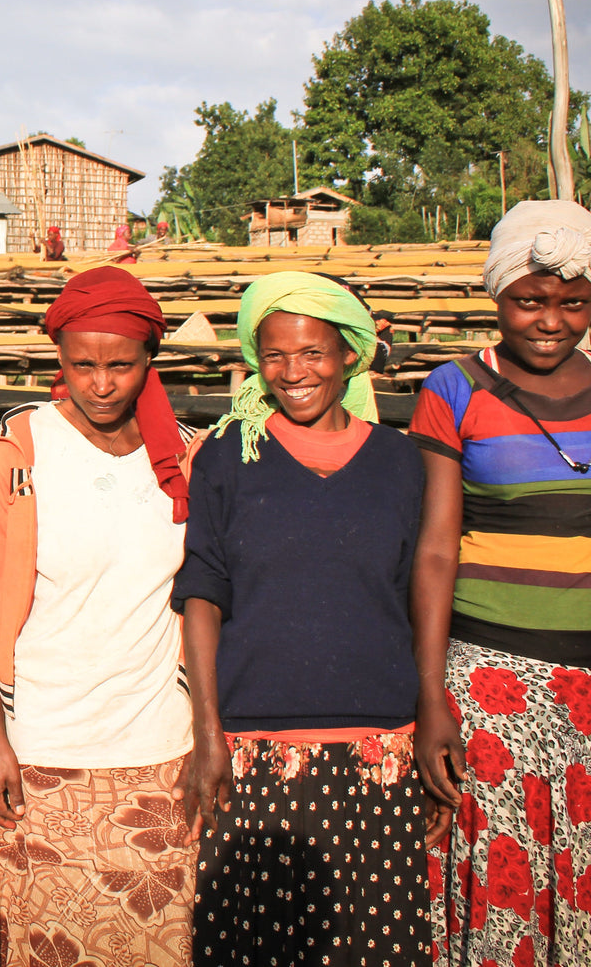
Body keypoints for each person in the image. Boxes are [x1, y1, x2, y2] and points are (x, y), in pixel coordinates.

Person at [172, 270, 430, 966]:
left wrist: (432, 719)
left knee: (374, 947)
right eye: (275, 355)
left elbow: (416, 593)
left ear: (349, 352)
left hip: (380, 750)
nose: (294, 371)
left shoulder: (401, 462)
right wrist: (208, 734)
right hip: (256, 751)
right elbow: (204, 592)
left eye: (313, 351)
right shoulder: (231, 454)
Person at [409, 200, 591, 967]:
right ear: (497, 297)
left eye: (572, 303)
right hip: (498, 680)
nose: (551, 321)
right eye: (529, 301)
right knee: (506, 896)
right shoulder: (456, 389)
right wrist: (431, 693)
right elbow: (435, 550)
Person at [0, 265, 204, 967]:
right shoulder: (19, 449)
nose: (101, 384)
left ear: (149, 362)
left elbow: (202, 602)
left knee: (154, 944)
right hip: (44, 751)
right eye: (82, 365)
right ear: (60, 360)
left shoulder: (187, 456)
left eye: (120, 366)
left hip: (159, 753)